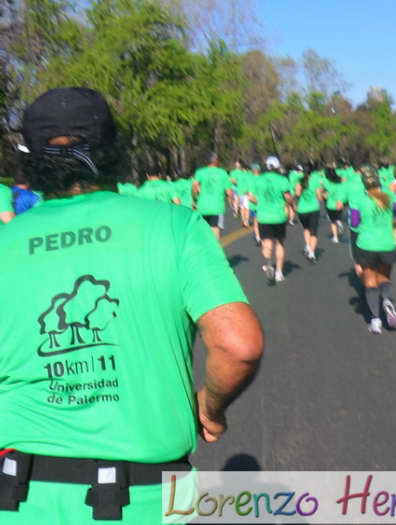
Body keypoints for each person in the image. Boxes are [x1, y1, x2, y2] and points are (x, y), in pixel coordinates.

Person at [0, 87, 263, 524]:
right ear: (113, 149)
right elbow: (239, 344)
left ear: (30, 158)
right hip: (151, 497)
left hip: (19, 498)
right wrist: (210, 409)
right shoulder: (174, 225)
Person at [351, 168, 396, 334]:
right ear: (378, 181)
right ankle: (387, 300)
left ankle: (376, 320)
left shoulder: (358, 199)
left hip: (366, 245)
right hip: (387, 244)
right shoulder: (390, 196)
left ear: (364, 184)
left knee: (370, 282)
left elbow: (354, 224)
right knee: (384, 277)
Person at [249, 156, 293, 283]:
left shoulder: (258, 180)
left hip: (264, 216)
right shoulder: (282, 180)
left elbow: (251, 197)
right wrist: (289, 202)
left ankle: (268, 263)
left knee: (267, 243)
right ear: (277, 167)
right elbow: (288, 197)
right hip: (279, 216)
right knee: (280, 243)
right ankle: (279, 272)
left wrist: (262, 203)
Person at [193, 153, 234, 239]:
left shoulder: (200, 172)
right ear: (217, 161)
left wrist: (195, 199)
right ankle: (214, 247)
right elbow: (229, 192)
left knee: (202, 232)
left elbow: (194, 187)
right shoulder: (223, 173)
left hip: (202, 207)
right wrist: (231, 200)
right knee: (215, 231)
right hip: (217, 208)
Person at [295, 167, 324, 262]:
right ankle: (312, 253)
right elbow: (319, 197)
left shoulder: (299, 181)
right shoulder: (316, 181)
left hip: (302, 209)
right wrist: (321, 194)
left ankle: (307, 245)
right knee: (313, 232)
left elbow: (297, 194)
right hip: (313, 209)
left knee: (306, 228)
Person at [323, 167, 346, 244]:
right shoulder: (340, 182)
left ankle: (335, 237)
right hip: (340, 203)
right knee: (338, 216)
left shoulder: (328, 183)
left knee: (332, 222)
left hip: (331, 205)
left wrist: (323, 194)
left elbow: (325, 195)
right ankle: (339, 222)